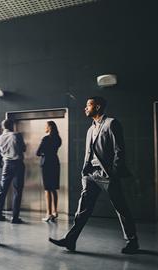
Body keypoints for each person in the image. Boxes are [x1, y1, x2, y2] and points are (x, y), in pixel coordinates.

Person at [49, 96, 139, 254]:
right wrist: (85, 172)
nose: (85, 108)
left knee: (120, 207)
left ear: (97, 107)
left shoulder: (111, 123)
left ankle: (132, 241)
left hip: (107, 174)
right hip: (90, 174)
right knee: (82, 209)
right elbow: (89, 153)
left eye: (88, 105)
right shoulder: (90, 129)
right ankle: (70, 240)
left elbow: (119, 149)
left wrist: (114, 173)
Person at [0, 119, 26, 223]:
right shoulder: (16, 135)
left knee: (2, 190)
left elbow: (0, 152)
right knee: (17, 191)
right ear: (12, 125)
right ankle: (15, 217)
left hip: (6, 165)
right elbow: (23, 148)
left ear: (3, 127)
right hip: (18, 164)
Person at [36, 121, 62, 223]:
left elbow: (38, 152)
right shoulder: (58, 139)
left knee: (47, 189)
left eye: (46, 126)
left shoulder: (46, 139)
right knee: (54, 189)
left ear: (49, 127)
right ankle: (55, 212)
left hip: (46, 164)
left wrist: (44, 153)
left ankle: (49, 213)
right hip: (55, 163)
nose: (45, 128)